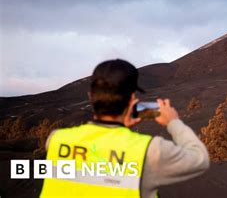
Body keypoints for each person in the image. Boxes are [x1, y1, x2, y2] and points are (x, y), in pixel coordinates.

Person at [40, 59, 210, 197]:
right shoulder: (149, 151)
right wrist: (173, 122)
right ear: (132, 100)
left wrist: (120, 129)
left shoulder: (56, 140)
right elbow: (200, 159)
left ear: (91, 97)